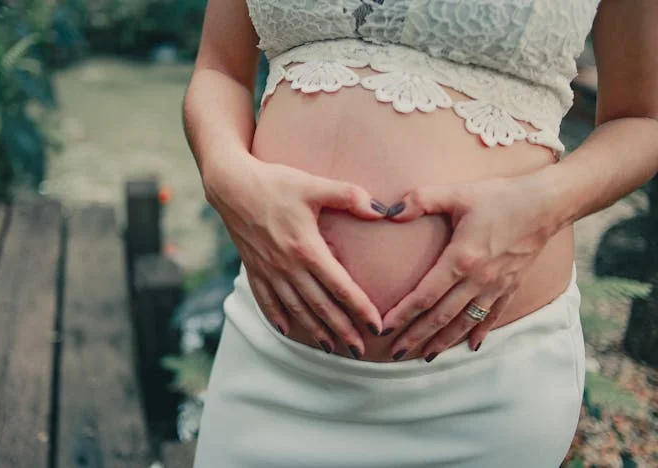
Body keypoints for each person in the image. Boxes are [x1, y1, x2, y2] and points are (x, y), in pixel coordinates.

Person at [182, 1, 658, 466]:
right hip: (270, 360)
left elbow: (642, 121)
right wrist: (225, 175)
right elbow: (219, 70)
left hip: (486, 384)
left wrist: (542, 206)